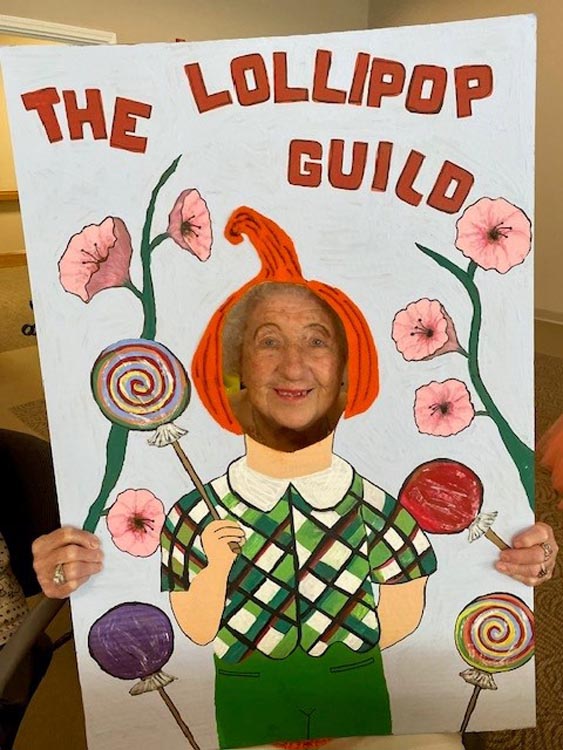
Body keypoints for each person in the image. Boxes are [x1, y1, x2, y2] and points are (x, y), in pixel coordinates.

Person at [32, 208, 558, 750]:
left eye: (317, 341)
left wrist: (514, 560)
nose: (293, 366)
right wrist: (82, 570)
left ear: (349, 371)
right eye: (267, 342)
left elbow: (408, 603)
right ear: (231, 371)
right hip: (243, 699)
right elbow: (194, 627)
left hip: (361, 696)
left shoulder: (378, 510)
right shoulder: (194, 515)